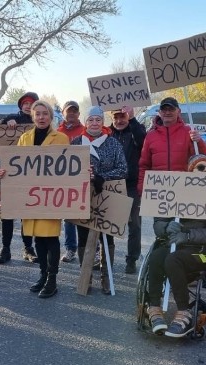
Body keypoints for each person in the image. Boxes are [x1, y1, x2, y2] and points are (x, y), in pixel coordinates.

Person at [145, 155, 206, 337]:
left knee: (173, 260)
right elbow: (158, 220)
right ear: (190, 171)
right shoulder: (176, 191)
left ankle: (184, 311)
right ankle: (154, 307)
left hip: (202, 252)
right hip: (174, 244)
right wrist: (166, 227)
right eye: (201, 168)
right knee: (157, 256)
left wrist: (188, 235)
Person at [0, 100, 70, 298]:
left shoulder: (61, 138)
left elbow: (68, 168)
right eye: (37, 114)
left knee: (50, 237)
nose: (41, 117)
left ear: (51, 116)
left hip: (51, 197)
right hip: (31, 197)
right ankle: (43, 276)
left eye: (45, 113)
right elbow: (16, 167)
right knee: (38, 238)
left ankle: (52, 280)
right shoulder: (25, 138)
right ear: (32, 116)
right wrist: (3, 173)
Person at [70, 106, 127, 294]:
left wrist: (102, 176)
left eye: (98, 119)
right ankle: (85, 275)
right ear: (85, 122)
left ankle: (106, 277)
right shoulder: (76, 142)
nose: (94, 123)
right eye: (91, 119)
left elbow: (123, 168)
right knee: (83, 235)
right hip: (82, 196)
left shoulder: (113, 144)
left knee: (106, 236)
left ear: (102, 122)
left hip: (107, 194)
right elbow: (68, 169)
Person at [0, 92, 40, 264]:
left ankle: (28, 248)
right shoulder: (12, 117)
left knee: (27, 213)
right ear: (21, 105)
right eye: (25, 103)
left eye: (31, 103)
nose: (28, 106)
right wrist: (6, 123)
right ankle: (5, 248)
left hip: (29, 175)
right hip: (8, 174)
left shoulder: (40, 124)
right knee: (7, 214)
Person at [137, 97, 206, 195]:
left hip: (183, 189)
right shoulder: (150, 135)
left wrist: (199, 141)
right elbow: (144, 165)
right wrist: (141, 187)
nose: (167, 112)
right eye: (164, 109)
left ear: (178, 111)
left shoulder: (188, 131)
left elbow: (203, 156)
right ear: (160, 112)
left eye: (171, 109)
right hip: (157, 191)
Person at [108, 106, 146, 274]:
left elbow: (143, 141)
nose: (119, 120)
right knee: (106, 224)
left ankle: (132, 259)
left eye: (122, 116)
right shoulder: (107, 133)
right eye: (116, 117)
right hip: (111, 183)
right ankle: (106, 259)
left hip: (131, 184)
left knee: (134, 225)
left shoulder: (136, 130)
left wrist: (132, 119)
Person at [57, 100, 85, 264]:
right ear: (63, 113)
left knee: (86, 217)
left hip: (83, 179)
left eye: (75, 111)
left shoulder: (86, 130)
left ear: (79, 114)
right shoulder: (56, 133)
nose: (72, 114)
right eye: (69, 111)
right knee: (68, 217)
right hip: (65, 180)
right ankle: (70, 249)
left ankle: (91, 250)